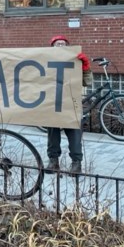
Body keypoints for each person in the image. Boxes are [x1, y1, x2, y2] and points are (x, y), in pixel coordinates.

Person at [44, 34, 91, 174]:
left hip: (70, 103)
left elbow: (87, 82)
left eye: (63, 44)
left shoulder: (75, 61)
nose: (60, 46)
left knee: (74, 133)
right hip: (52, 103)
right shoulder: (45, 61)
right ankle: (53, 161)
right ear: (51, 47)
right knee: (52, 133)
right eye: (57, 44)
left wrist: (85, 68)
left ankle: (76, 163)